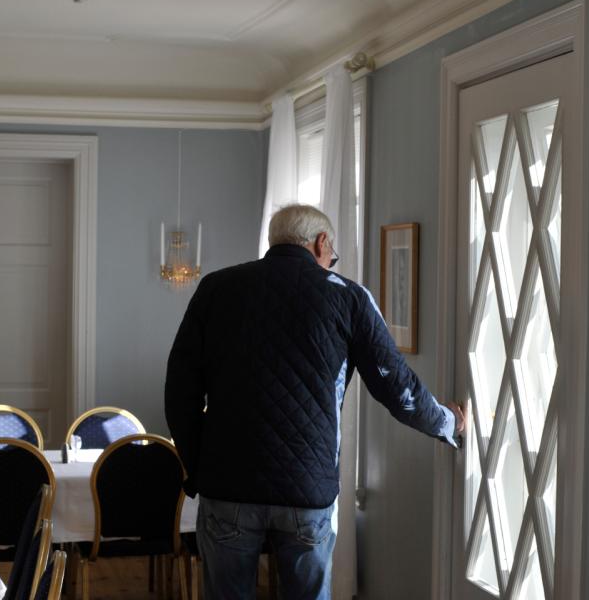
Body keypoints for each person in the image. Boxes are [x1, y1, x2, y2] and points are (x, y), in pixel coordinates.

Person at [165, 204, 465, 600]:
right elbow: (398, 389)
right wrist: (447, 422)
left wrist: (198, 469)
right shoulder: (348, 298)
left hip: (228, 484)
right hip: (307, 489)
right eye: (333, 255)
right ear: (321, 243)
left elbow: (180, 391)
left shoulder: (217, 288)